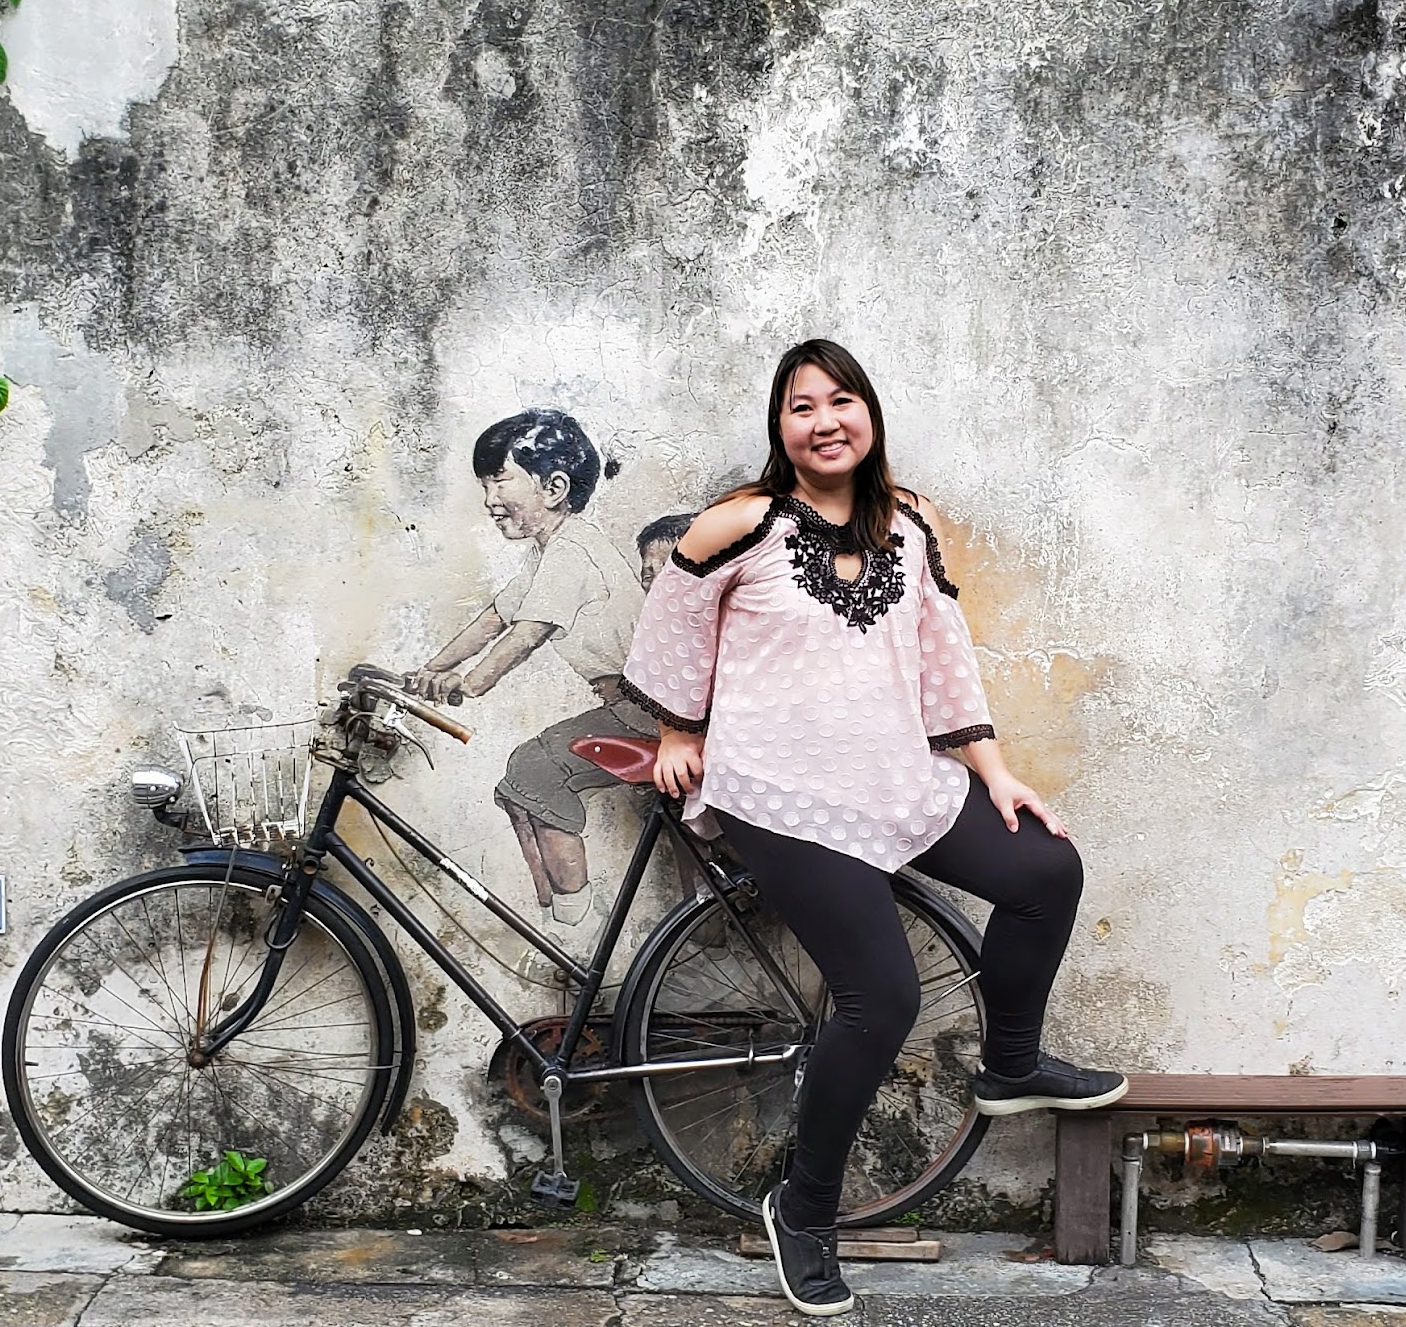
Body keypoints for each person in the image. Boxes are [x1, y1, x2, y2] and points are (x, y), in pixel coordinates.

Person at [619, 339, 1124, 1318]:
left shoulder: (911, 524)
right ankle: (801, 1209)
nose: (823, 419)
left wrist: (994, 771)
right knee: (880, 996)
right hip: (776, 793)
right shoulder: (741, 522)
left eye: (839, 399)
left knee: (1044, 868)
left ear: (869, 413)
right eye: (799, 406)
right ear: (779, 429)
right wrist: (677, 729)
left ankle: (1008, 1062)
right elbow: (673, 620)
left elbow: (944, 658)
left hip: (895, 778)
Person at [412, 409, 650, 925]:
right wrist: (424, 671)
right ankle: (556, 913)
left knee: (534, 769)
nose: (489, 500)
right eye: (484, 485)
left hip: (644, 713)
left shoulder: (574, 552)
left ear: (554, 487)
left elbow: (527, 634)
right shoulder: (549, 553)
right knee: (520, 785)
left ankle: (574, 921)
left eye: (500, 481)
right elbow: (495, 619)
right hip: (630, 709)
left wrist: (467, 684)